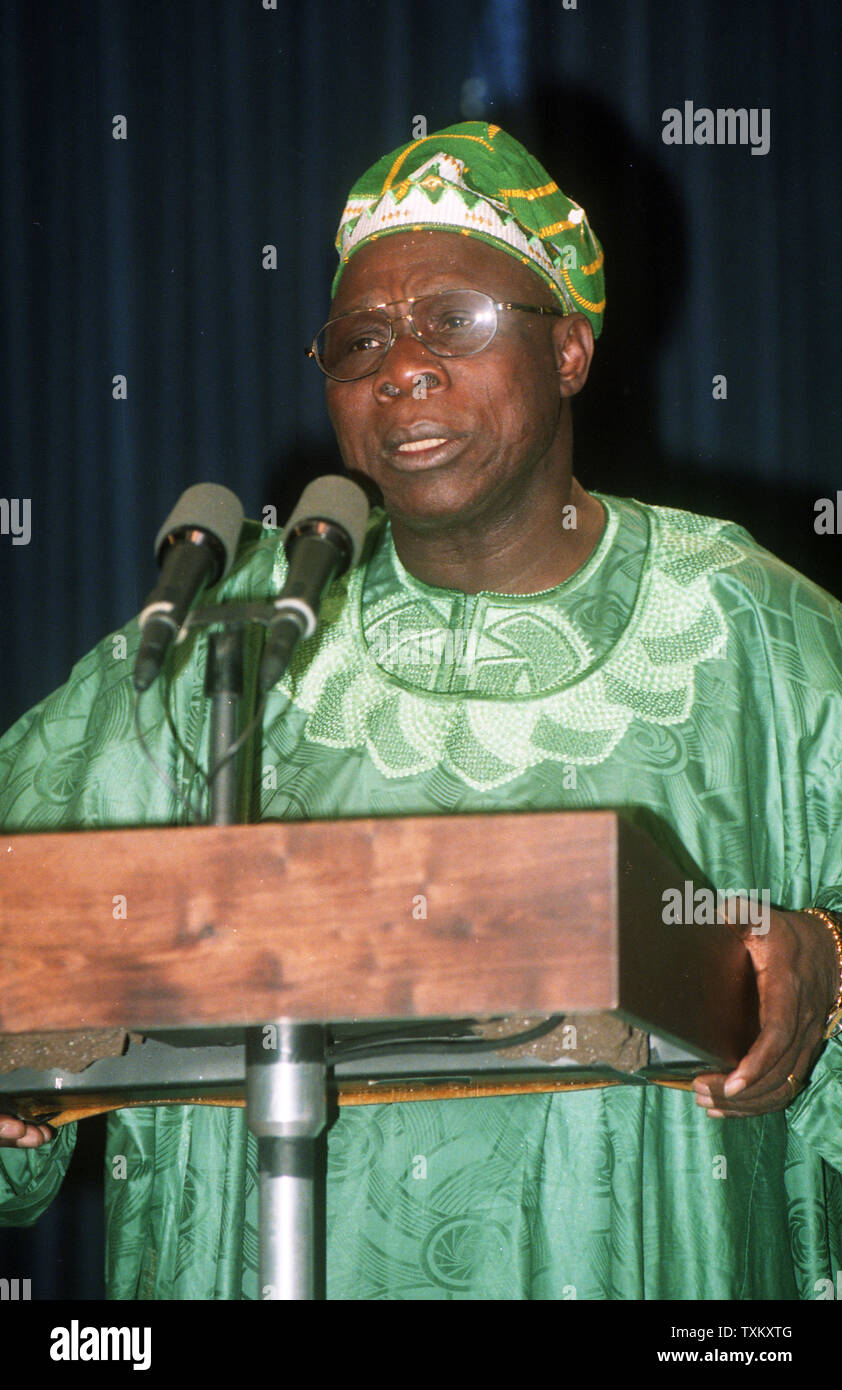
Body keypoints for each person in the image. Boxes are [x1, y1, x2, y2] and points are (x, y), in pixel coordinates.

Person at [2, 121, 842, 1300]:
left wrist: (825, 960)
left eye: (454, 321)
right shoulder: (226, 632)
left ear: (568, 353)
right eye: (359, 341)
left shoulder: (755, 629)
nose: (400, 367)